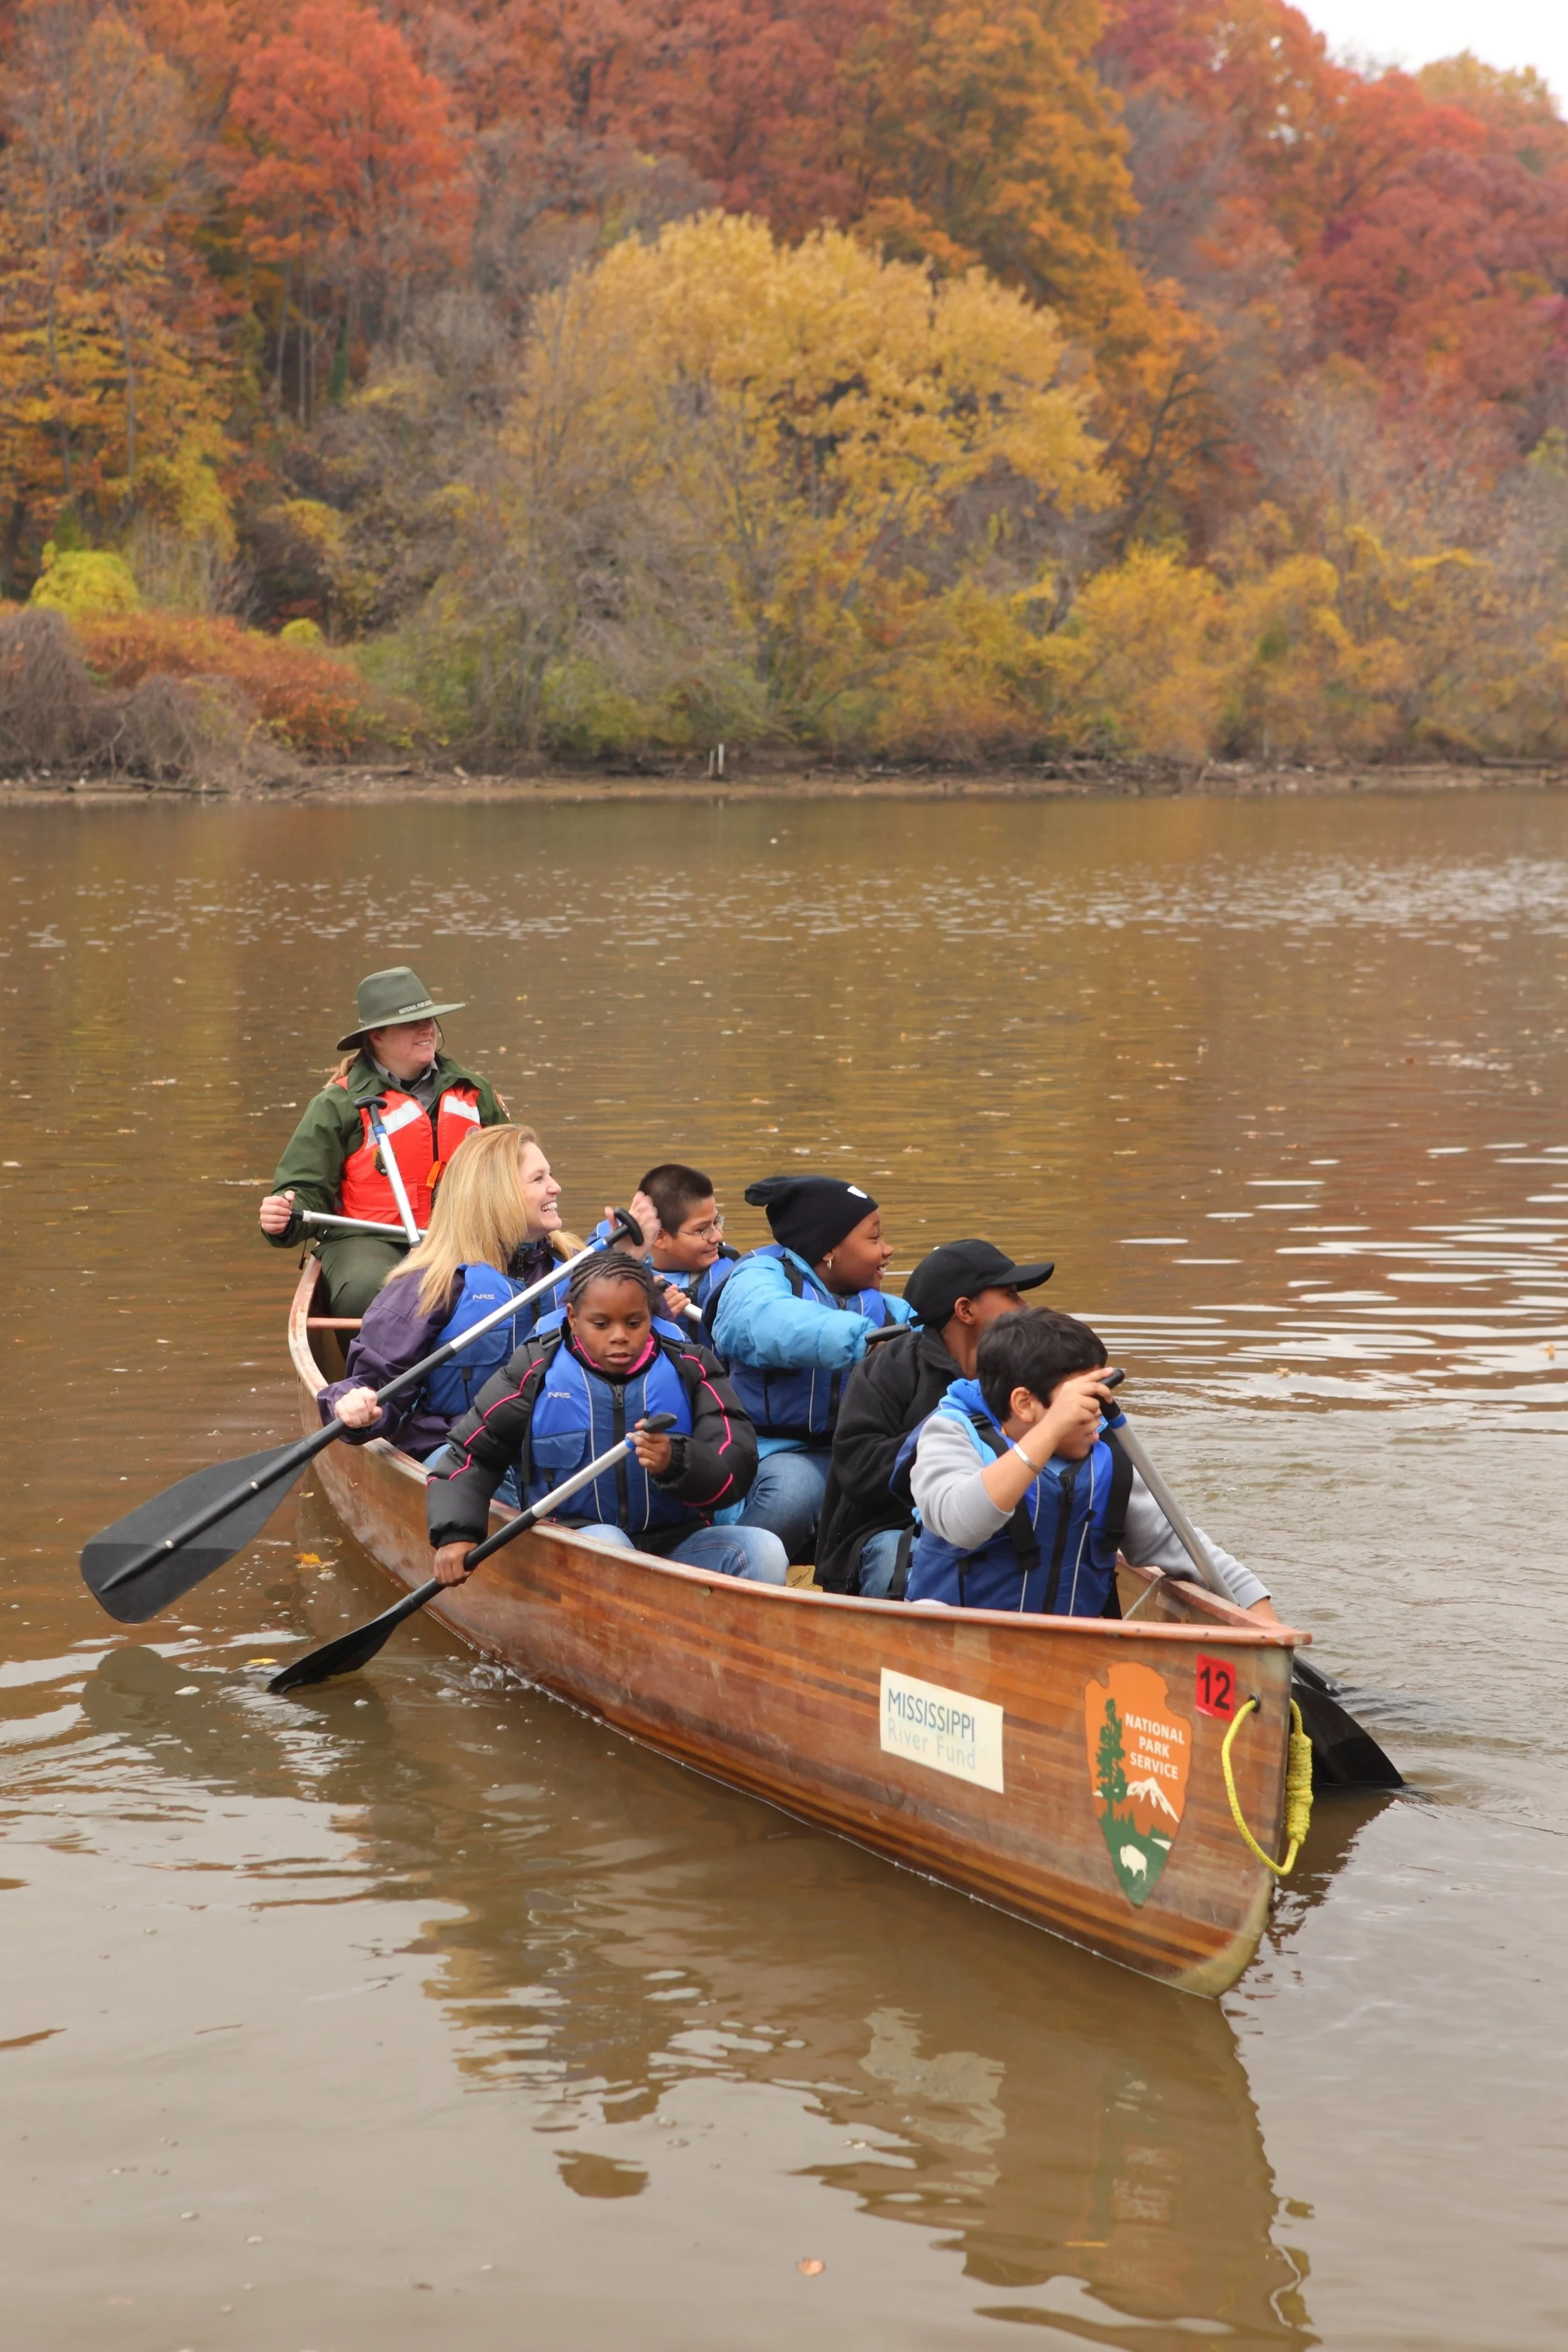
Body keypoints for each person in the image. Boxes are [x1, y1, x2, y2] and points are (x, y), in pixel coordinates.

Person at [426, 1256, 788, 1586]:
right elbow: (470, 1454)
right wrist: (455, 1534)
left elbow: (735, 1464)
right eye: (601, 1324)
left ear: (650, 1315)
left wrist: (677, 1461)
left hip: (676, 1544)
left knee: (762, 1548)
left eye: (634, 1323)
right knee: (612, 1545)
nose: (620, 1336)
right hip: (575, 1543)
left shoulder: (692, 1365)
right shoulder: (535, 1369)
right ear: (573, 1318)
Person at [901, 1306, 1278, 1619]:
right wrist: (1050, 1432)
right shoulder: (950, 1435)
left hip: (1069, 1661)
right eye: (1080, 1406)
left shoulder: (1107, 1458)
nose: (1096, 1422)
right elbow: (961, 1524)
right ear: (1024, 1404)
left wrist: (1264, 1623)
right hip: (952, 1660)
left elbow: (1182, 1546)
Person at [320, 1125, 581, 1471]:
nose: (555, 1187)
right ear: (497, 1195)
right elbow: (370, 1386)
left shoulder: (575, 1266)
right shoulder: (429, 1286)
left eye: (551, 1175)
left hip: (555, 1451)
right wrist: (350, 1404)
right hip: (462, 1453)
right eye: (538, 1179)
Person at [258, 965, 507, 1317]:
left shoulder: (474, 1091)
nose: (428, 1030)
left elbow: (516, 1170)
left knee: (516, 1283)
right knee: (372, 1292)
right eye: (412, 1023)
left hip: (463, 1234)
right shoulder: (336, 1104)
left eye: (430, 1020)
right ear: (376, 1036)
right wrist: (284, 1217)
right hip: (372, 1240)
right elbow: (305, 1192)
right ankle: (376, 1371)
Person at [815, 1239, 1055, 1598]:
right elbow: (859, 1470)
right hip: (890, 1531)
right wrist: (960, 1433)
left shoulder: (1030, 1370)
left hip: (1005, 1520)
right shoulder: (889, 1367)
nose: (1025, 1307)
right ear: (965, 1310)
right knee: (900, 1559)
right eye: (1010, 1295)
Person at [711, 1175, 915, 1562]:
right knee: (794, 1488)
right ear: (830, 1249)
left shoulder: (894, 1312)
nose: (887, 1250)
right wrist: (862, 1341)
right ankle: (732, 1568)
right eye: (874, 1239)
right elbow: (761, 1321)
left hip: (862, 1457)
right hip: (764, 1455)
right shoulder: (759, 1277)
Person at [590, 1163, 738, 1330]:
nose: (718, 1237)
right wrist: (645, 1319)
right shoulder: (596, 1261)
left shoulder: (733, 1275)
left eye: (717, 1222)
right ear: (660, 1237)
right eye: (702, 1230)